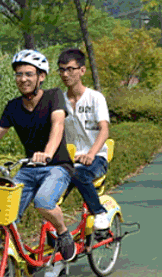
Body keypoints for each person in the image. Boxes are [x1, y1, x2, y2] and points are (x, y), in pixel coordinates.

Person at [0, 49, 76, 263]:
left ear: (41, 77)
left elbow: (58, 125)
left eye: (29, 74)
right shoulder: (13, 106)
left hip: (57, 166)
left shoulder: (54, 96)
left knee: (43, 202)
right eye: (19, 74)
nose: (23, 79)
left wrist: (47, 154)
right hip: (28, 169)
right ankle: (9, 260)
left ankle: (63, 233)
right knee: (4, 214)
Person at [57, 48, 111, 231]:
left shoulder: (95, 98)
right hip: (69, 159)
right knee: (46, 189)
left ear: (82, 70)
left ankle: (99, 213)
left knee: (80, 173)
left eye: (70, 69)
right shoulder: (59, 101)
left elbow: (104, 130)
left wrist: (90, 154)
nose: (65, 74)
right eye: (62, 69)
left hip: (95, 157)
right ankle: (55, 233)